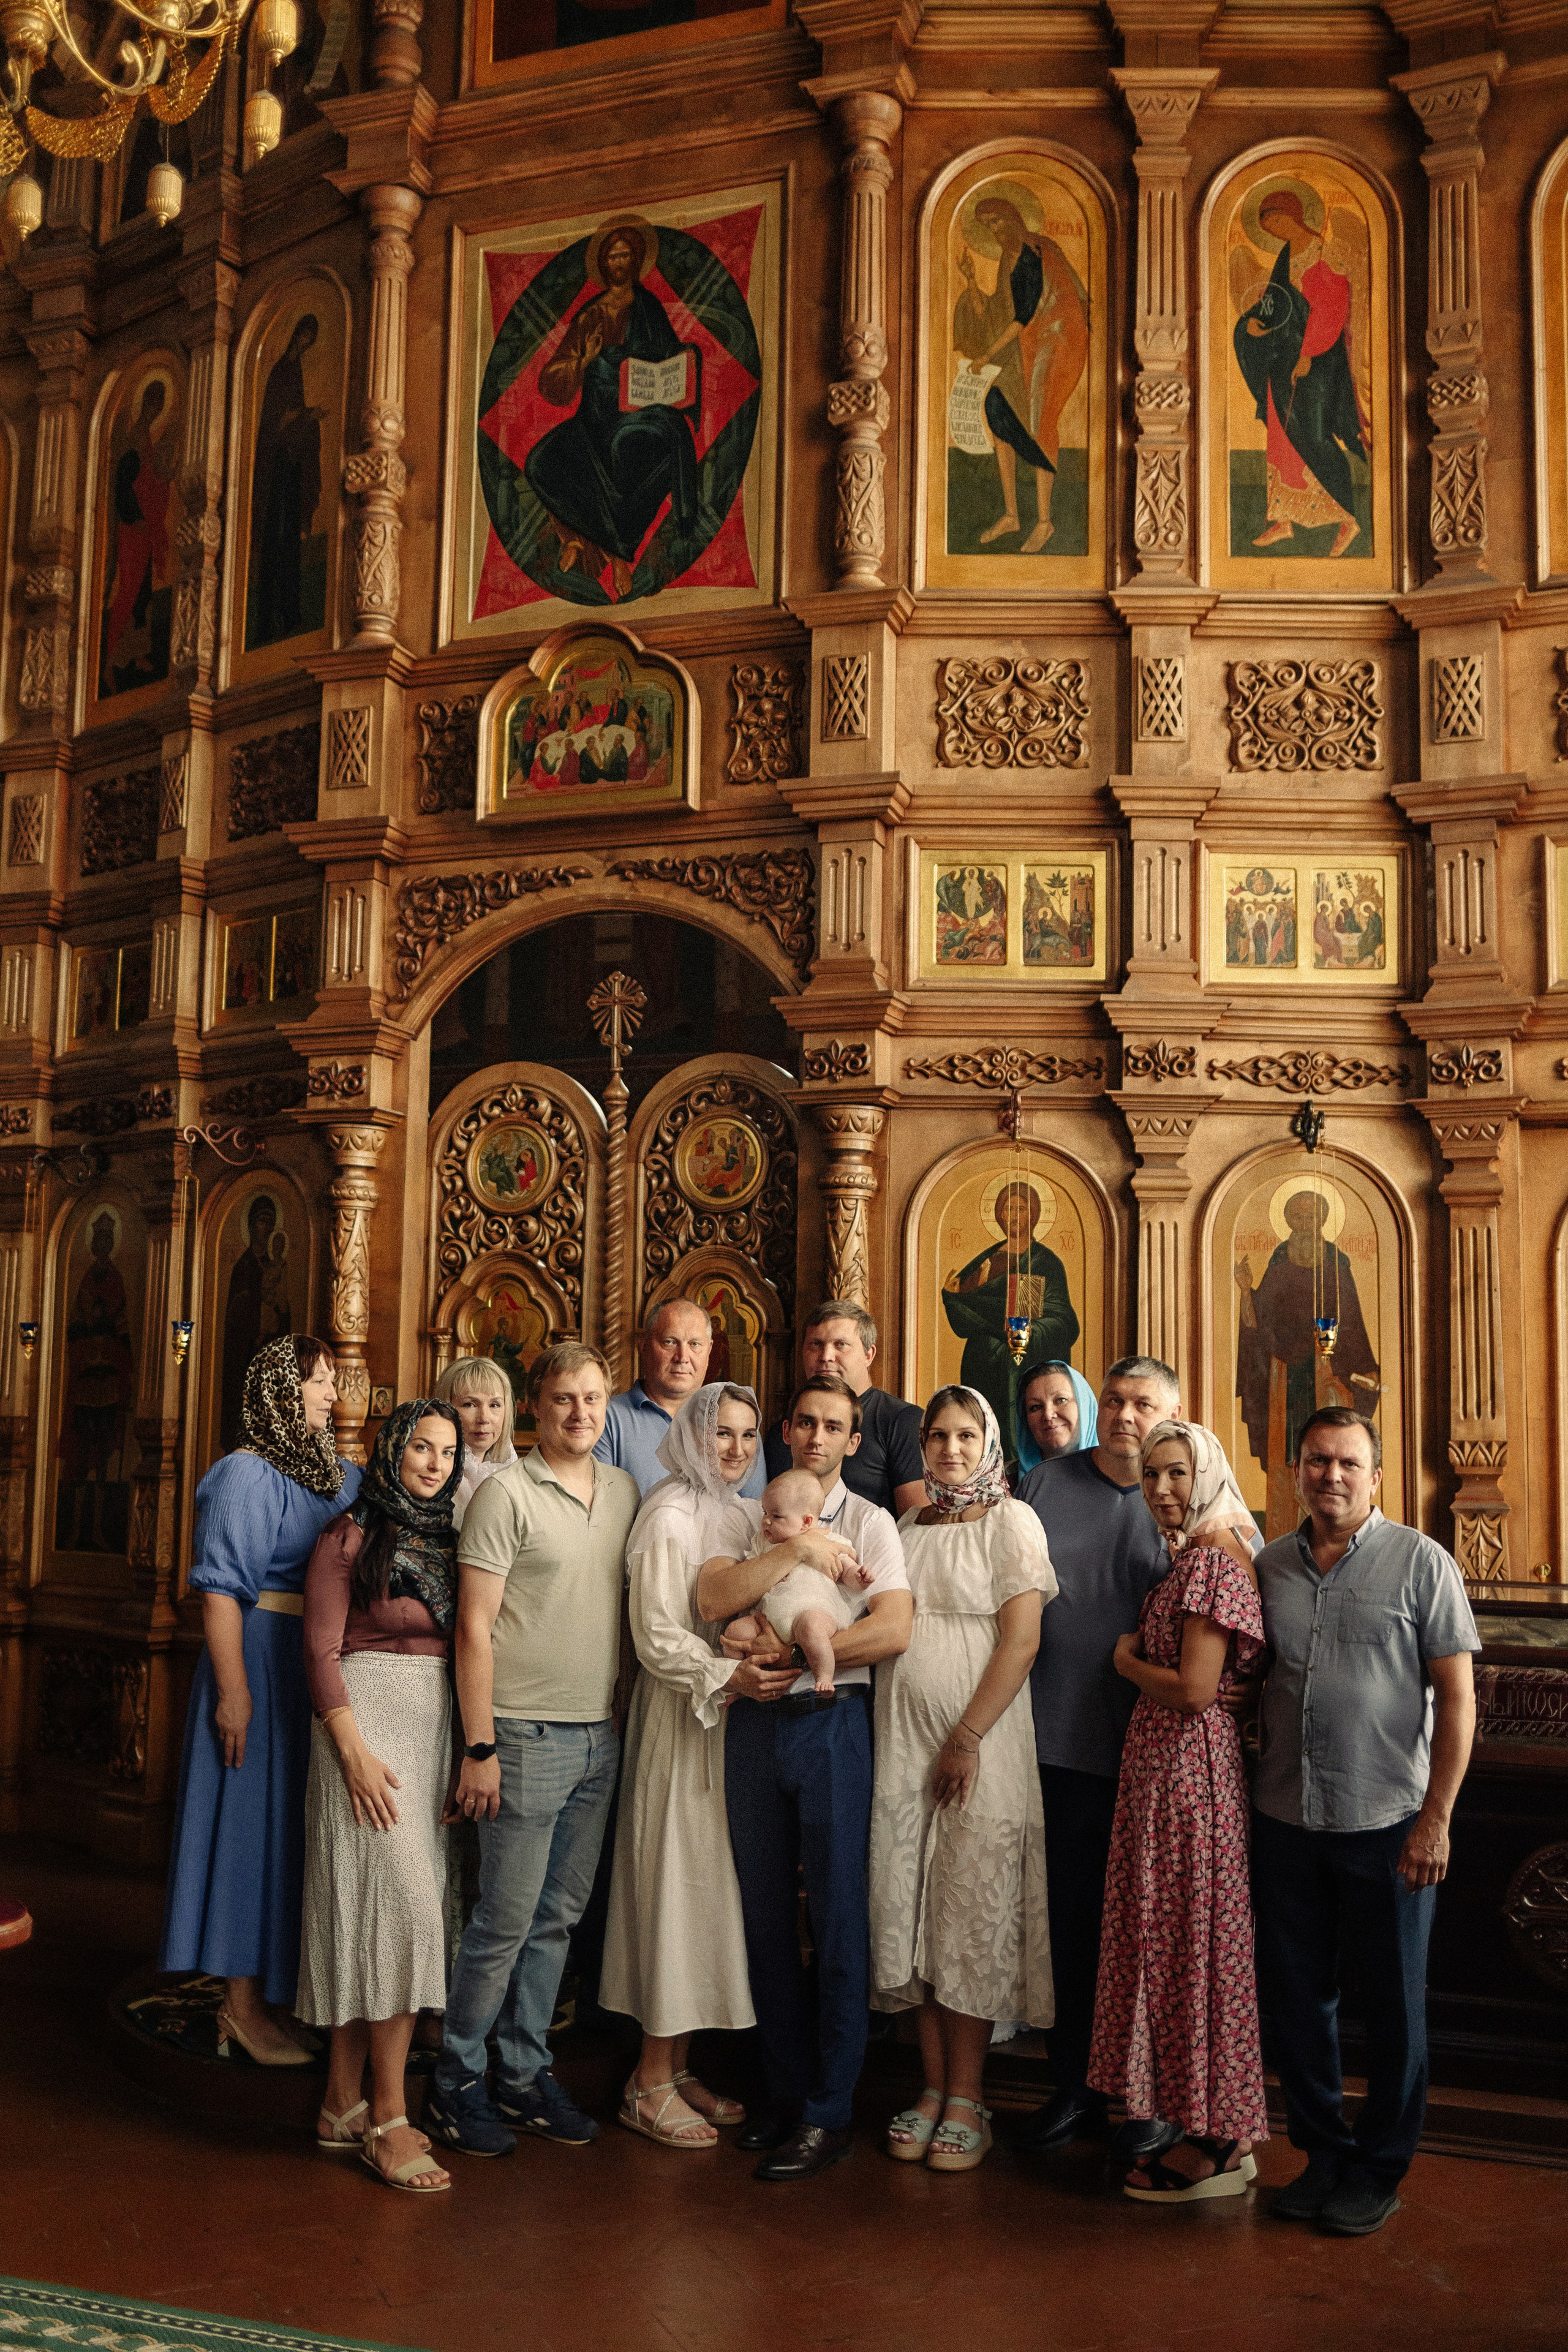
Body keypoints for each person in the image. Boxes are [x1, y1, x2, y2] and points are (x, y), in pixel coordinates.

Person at [1012, 1355, 1258, 2158]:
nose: (1124, 1415)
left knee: (1159, 1937)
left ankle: (1151, 2097)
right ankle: (1077, 2086)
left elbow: (1246, 1622)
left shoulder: (1209, 1514)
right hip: (1059, 1743)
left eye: (1142, 1404)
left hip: (1158, 1765)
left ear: (1174, 1416)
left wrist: (1239, 1690)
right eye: (1113, 1399)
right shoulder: (1045, 1485)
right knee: (1077, 1930)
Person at [1251, 1406, 1479, 2237]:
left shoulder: (1422, 1563)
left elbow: (1458, 1699)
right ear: (1296, 1471)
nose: (1331, 1476)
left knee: (1393, 2010)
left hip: (1388, 1824)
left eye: (1348, 1463)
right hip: (1284, 1818)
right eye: (1317, 1461)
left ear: (1376, 1476)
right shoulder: (1268, 1565)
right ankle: (1322, 2154)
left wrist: (1436, 1820)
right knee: (1297, 2003)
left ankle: (1378, 2168)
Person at [425, 1342, 639, 2158]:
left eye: (592, 1398)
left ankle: (522, 2073)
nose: (579, 1413)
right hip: (520, 1733)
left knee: (557, 1921)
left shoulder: (622, 1492)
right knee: (504, 1922)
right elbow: (473, 1628)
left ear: (606, 1405)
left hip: (597, 1736)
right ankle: (456, 2082)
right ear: (535, 1407)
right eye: (563, 1399)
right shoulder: (505, 1495)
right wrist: (478, 1745)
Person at [699, 1373, 914, 2180]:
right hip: (754, 1724)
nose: (817, 1437)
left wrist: (793, 1652)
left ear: (854, 1441)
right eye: (805, 1423)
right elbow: (714, 1597)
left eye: (834, 1426)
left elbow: (892, 1629)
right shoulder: (749, 1514)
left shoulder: (871, 1522)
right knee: (762, 1914)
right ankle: (783, 2093)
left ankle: (829, 2110)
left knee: (835, 1913)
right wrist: (790, 1551)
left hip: (832, 1721)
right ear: (787, 1430)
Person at [601, 1384, 797, 2149]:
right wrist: (725, 1674)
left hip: (731, 1722)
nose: (737, 1449)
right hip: (680, 1717)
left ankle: (677, 2066)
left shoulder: (746, 1514)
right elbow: (654, 1633)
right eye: (722, 1433)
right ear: (691, 1436)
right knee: (672, 1889)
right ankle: (646, 2081)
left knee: (707, 1894)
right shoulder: (668, 1513)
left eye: (748, 1435)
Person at [159, 1336, 360, 2064]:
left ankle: (276, 1997)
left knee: (292, 1833)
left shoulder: (340, 1474)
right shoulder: (245, 1474)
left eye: (333, 1380)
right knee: (248, 1832)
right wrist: (234, 1693)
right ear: (279, 1390)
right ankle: (238, 2007)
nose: (333, 1394)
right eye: (318, 1381)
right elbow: (220, 1593)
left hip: (314, 1666)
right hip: (256, 1659)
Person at [870, 1387, 1056, 2173]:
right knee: (913, 1908)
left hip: (980, 1743)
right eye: (938, 1437)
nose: (950, 1450)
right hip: (903, 1747)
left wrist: (967, 1737)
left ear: (988, 1444)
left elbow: (1021, 1642)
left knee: (966, 1913)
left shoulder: (1011, 1522)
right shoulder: (908, 1526)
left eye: (965, 1436)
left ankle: (969, 2096)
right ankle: (931, 2086)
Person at [1088, 1420, 1269, 2203]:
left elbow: (1195, 1691)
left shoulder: (1209, 1562)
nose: (1161, 1489)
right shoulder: (1194, 1555)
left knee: (1195, 1947)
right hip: (1172, 1777)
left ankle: (1220, 2144)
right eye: (1151, 1475)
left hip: (1187, 1779)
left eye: (1176, 1474)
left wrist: (1126, 1662)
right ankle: (1206, 2129)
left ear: (1206, 1476)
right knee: (1180, 1945)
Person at [297, 1400, 466, 2193]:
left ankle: (341, 2103)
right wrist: (354, 1753)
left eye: (447, 1452)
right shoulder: (347, 1536)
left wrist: (463, 1753)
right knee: (395, 1915)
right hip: (360, 1738)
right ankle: (391, 2118)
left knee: (380, 1916)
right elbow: (319, 1652)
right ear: (392, 1450)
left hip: (429, 1739)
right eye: (422, 1448)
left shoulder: (452, 1539)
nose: (435, 1464)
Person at [941, 1186, 1079, 1464]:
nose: (1014, 1215)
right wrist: (952, 1295)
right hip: (983, 1365)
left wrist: (1029, 1332)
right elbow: (964, 1305)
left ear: (1034, 1215)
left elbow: (1063, 1320)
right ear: (999, 1216)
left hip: (1023, 1365)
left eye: (1021, 1209)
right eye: (1008, 1209)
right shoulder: (988, 1258)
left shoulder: (1045, 1262)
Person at [762, 1300, 924, 1518]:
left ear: (868, 1355)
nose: (826, 1356)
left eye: (841, 1345)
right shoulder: (782, 1431)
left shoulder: (903, 1421)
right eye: (816, 1344)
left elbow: (914, 1525)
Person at [597, 1298, 765, 1502]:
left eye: (694, 1344)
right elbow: (603, 1509)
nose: (682, 1357)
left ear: (710, 1350)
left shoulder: (739, 1421)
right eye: (669, 1342)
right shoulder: (606, 1417)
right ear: (643, 1346)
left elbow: (756, 1508)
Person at [726, 1469, 874, 1697]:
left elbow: (846, 1572)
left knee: (811, 1629)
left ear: (806, 1522)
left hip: (814, 1611)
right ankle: (739, 1683)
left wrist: (859, 1578)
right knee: (735, 1631)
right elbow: (749, 1577)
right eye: (765, 1512)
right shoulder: (762, 1543)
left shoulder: (827, 1540)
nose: (766, 1521)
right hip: (769, 1618)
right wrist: (766, 1572)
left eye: (776, 1516)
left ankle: (823, 1676)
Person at [435, 1354, 518, 1525]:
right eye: (470, 1405)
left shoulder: (516, 1471)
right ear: (446, 1408)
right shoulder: (431, 1471)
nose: (484, 1419)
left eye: (494, 1405)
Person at [1013, 1357, 1098, 1479]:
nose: (1048, 1415)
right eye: (1036, 1407)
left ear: (1085, 1407)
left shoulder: (1118, 1477)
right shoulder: (1004, 1483)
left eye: (1061, 1400)